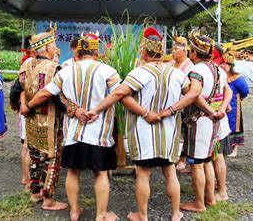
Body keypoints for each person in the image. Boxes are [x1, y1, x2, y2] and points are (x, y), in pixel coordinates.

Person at [89, 28, 216, 221]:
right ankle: (175, 213)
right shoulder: (177, 74)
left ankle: (143, 215)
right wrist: (212, 112)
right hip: (169, 134)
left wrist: (97, 109)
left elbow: (119, 94)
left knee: (143, 173)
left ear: (145, 51)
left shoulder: (140, 72)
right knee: (170, 172)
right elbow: (194, 96)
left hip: (143, 134)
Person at [23, 32, 120, 221]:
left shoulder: (66, 71)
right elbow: (119, 94)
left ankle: (74, 211)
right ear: (96, 52)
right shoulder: (108, 71)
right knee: (100, 173)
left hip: (73, 133)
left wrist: (28, 106)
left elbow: (45, 93)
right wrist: (98, 110)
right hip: (99, 133)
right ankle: (101, 215)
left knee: (73, 172)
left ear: (78, 53)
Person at [179, 32, 231, 212]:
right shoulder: (219, 70)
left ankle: (199, 203)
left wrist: (210, 110)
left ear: (194, 53)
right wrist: (221, 110)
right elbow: (228, 91)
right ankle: (210, 198)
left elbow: (195, 94)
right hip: (214, 121)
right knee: (208, 160)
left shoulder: (197, 71)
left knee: (196, 164)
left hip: (200, 121)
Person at [18, 30, 68, 210]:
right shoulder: (54, 68)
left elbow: (19, 89)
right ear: (47, 48)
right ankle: (49, 200)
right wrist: (71, 110)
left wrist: (24, 106)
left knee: (35, 157)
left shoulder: (27, 65)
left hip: (31, 119)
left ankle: (35, 192)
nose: (55, 49)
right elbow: (57, 97)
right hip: (49, 120)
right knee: (52, 158)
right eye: (53, 45)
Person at [10, 44, 36, 190]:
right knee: (28, 144)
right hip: (28, 108)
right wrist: (23, 105)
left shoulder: (31, 63)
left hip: (27, 106)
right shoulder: (29, 64)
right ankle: (27, 178)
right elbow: (19, 87)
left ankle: (27, 178)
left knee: (28, 145)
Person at [168, 36, 194, 174]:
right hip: (171, 102)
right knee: (173, 130)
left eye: (176, 49)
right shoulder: (170, 64)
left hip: (184, 103)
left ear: (184, 51)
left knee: (185, 131)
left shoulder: (190, 65)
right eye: (172, 49)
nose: (173, 52)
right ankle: (170, 155)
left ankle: (183, 158)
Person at [223, 54, 249, 157]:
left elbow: (245, 91)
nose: (224, 66)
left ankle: (235, 149)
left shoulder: (237, 78)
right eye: (223, 63)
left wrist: (240, 98)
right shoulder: (221, 75)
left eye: (226, 64)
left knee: (234, 125)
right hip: (223, 104)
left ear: (231, 66)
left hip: (234, 105)